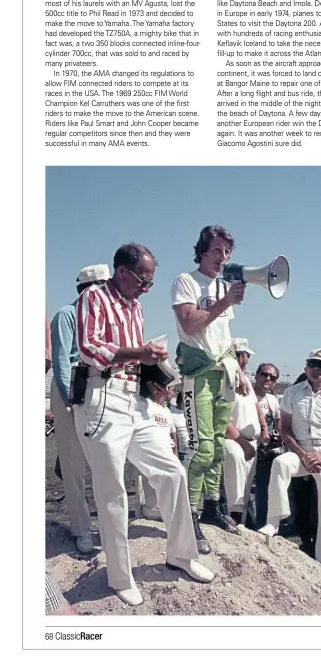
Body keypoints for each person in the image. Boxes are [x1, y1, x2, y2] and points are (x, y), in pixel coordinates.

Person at [75, 243, 213, 606]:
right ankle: (120, 576)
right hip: (102, 398)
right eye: (143, 280)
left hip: (133, 399)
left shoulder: (136, 307)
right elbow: (90, 348)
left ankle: (181, 555)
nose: (146, 288)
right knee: (112, 489)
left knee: (171, 472)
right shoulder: (93, 297)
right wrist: (138, 353)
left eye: (151, 282)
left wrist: (151, 376)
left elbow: (131, 356)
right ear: (122, 271)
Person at [171, 225, 245, 553]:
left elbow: (223, 335)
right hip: (198, 374)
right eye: (217, 250)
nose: (223, 257)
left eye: (227, 251)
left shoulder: (223, 284)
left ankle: (213, 505)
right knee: (200, 448)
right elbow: (189, 323)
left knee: (217, 446)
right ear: (202, 250)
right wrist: (223, 301)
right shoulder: (186, 281)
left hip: (222, 373)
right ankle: (189, 513)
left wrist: (238, 368)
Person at [258, 348, 321, 571]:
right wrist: (303, 455)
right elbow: (285, 429)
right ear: (306, 367)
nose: (316, 369)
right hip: (301, 452)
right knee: (280, 464)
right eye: (312, 364)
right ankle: (274, 521)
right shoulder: (292, 392)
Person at [50, 264, 110, 555]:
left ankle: (109, 527)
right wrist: (70, 399)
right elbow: (62, 361)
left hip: (99, 389)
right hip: (72, 387)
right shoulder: (67, 315)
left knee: (104, 459)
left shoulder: (105, 320)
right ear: (88, 288)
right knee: (74, 465)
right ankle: (81, 529)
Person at [223, 350, 269, 525]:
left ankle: (239, 523)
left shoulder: (246, 382)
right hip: (234, 440)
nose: (243, 359)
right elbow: (222, 418)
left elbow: (257, 408)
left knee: (245, 489)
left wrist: (264, 430)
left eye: (245, 355)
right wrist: (242, 443)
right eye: (239, 355)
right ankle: (232, 517)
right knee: (234, 461)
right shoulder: (223, 380)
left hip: (252, 441)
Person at [252, 362, 282, 528]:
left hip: (266, 452)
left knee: (264, 491)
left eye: (272, 377)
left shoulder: (272, 400)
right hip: (246, 446)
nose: (268, 379)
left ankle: (260, 525)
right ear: (256, 375)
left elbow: (278, 423)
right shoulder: (244, 394)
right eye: (264, 374)